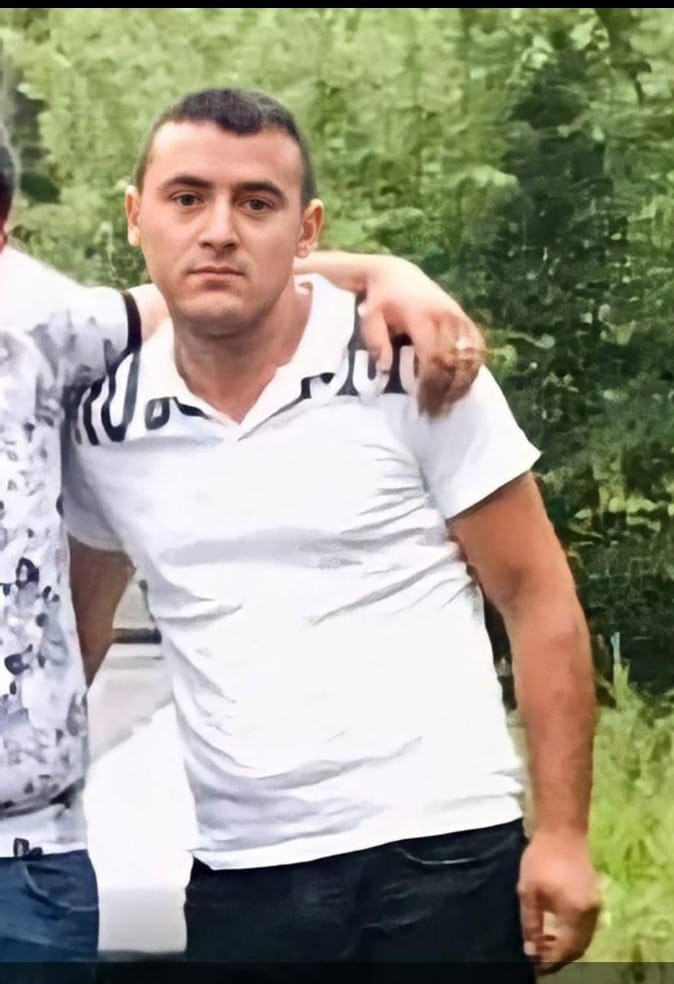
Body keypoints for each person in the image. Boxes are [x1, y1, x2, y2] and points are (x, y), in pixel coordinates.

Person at [66, 87, 600, 972]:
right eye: (187, 198)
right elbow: (75, 638)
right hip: (240, 870)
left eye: (257, 203)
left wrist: (565, 837)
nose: (219, 230)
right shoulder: (103, 414)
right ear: (135, 216)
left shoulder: (410, 364)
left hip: (443, 849)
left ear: (306, 230)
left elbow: (536, 597)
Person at [0, 116, 484, 962]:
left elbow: (216, 282)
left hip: (22, 863)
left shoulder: (40, 328)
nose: (219, 224)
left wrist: (384, 273)